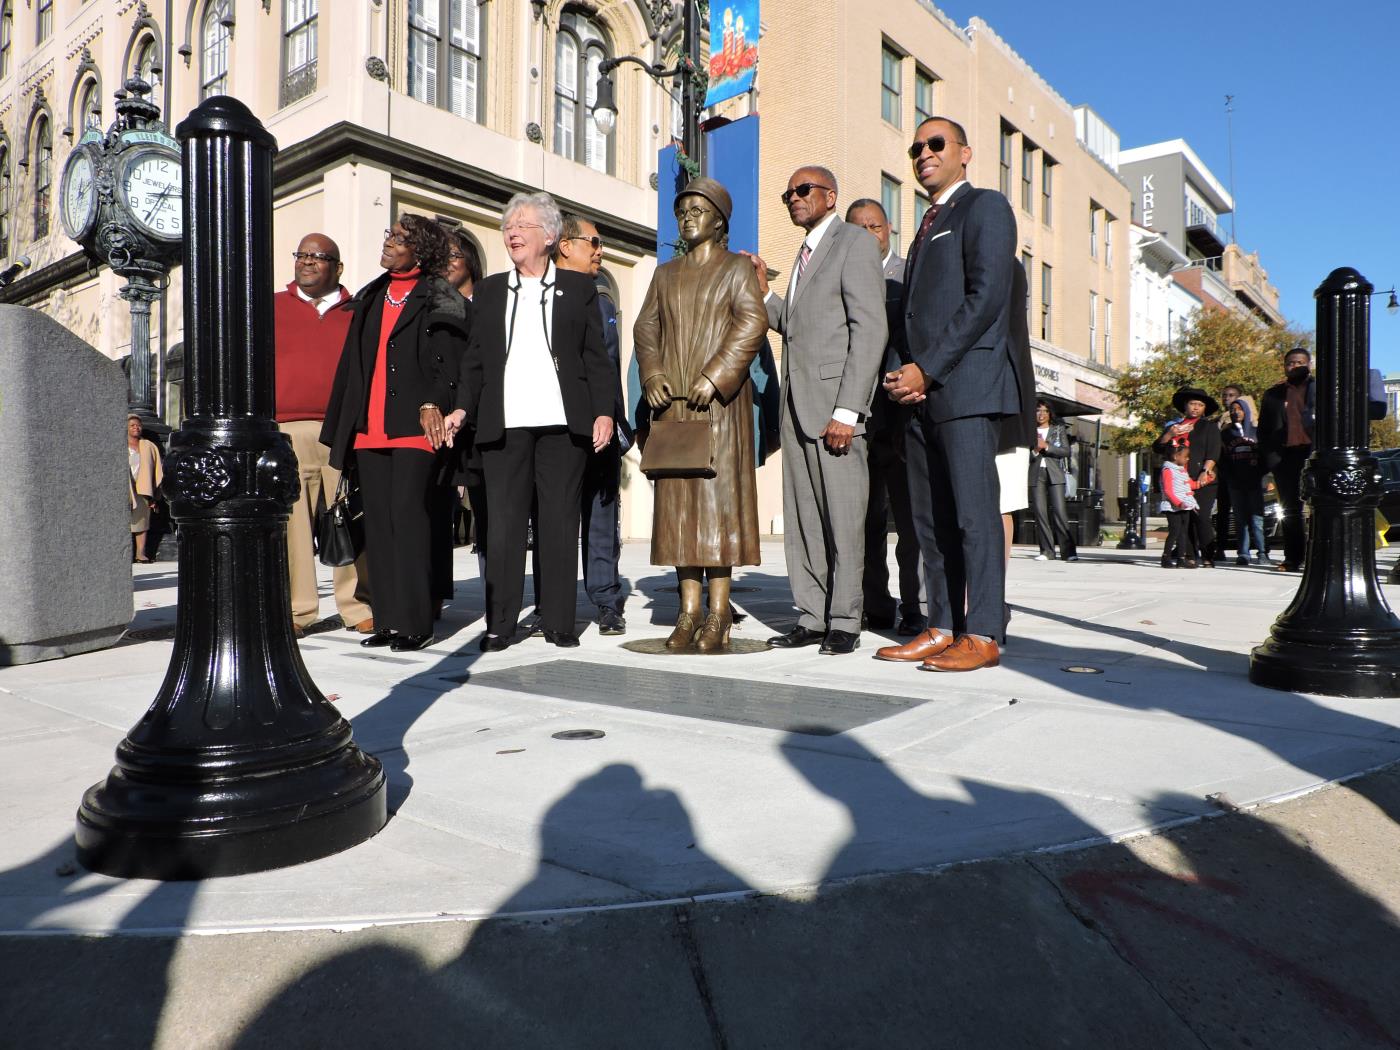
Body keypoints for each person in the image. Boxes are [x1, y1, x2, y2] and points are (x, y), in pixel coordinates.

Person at [877, 116, 1021, 673]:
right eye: (916, 147)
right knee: (930, 520)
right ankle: (941, 625)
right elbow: (911, 313)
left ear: (966, 152)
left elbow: (987, 297)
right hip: (918, 395)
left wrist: (928, 369)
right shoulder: (924, 225)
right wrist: (900, 374)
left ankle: (983, 632)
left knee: (974, 516)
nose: (923, 153)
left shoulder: (984, 207)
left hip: (964, 387)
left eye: (935, 144)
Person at [446, 192, 615, 652]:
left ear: (550, 236)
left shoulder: (579, 289)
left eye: (522, 225)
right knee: (502, 527)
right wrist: (463, 407)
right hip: (506, 425)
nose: (512, 232)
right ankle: (500, 623)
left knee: (559, 524)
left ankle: (559, 621)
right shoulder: (491, 290)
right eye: (507, 226)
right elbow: (475, 359)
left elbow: (595, 358)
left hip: (563, 425)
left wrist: (604, 411)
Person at [746, 166, 887, 656]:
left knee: (844, 521)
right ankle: (811, 615)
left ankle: (846, 619)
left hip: (835, 413)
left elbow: (869, 330)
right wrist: (765, 292)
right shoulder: (805, 254)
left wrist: (848, 411)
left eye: (802, 190)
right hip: (797, 409)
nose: (793, 198)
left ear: (830, 194)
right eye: (787, 193)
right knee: (803, 520)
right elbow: (796, 326)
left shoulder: (854, 243)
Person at [321, 215, 470, 653]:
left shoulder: (437, 297)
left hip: (414, 430)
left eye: (399, 239)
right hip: (369, 429)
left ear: (419, 252)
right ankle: (386, 620)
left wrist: (433, 401)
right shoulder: (373, 295)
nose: (388, 242)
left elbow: (452, 364)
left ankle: (415, 620)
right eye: (389, 234)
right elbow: (354, 365)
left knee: (408, 521)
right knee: (379, 528)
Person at [634, 178, 769, 652]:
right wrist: (651, 373)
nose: (688, 216)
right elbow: (645, 326)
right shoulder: (665, 274)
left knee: (717, 509)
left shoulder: (736, 270)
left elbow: (753, 322)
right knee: (678, 510)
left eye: (698, 209)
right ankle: (687, 610)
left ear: (719, 221)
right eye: (683, 210)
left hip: (719, 409)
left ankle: (718, 613)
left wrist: (716, 376)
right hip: (673, 406)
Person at [273, 232, 374, 639]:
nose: (308, 262)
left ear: (338, 267)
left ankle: (357, 606)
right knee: (293, 527)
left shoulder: (358, 312)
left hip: (341, 430)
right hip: (285, 431)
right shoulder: (272, 307)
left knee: (347, 517)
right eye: (302, 255)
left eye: (318, 256)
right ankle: (299, 610)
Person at [845, 198, 924, 637]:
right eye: (858, 229)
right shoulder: (843, 273)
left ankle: (914, 608)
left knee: (910, 525)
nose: (867, 236)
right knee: (867, 523)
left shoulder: (907, 275)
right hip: (859, 419)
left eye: (874, 227)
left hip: (902, 417)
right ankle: (877, 606)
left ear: (888, 229)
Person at [556, 213, 631, 637]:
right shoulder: (543, 294)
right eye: (594, 242)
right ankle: (556, 603)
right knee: (555, 519)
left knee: (601, 517)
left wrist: (617, 423)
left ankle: (606, 602)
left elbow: (610, 363)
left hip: (601, 429)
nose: (601, 251)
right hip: (555, 429)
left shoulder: (602, 297)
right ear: (566, 245)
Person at [1258, 347, 1314, 572]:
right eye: (1289, 363)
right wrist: (1270, 457)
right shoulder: (1273, 394)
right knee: (1291, 510)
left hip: (1312, 453)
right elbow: (1263, 429)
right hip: (1284, 457)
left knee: (1320, 507)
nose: (1294, 366)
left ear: (1308, 364)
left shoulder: (1318, 388)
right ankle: (1293, 558)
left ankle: (1318, 556)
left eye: (1299, 362)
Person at [1152, 386, 1221, 567]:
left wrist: (1205, 472)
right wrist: (1169, 435)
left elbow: (1213, 452)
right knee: (1185, 519)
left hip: (1202, 479)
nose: (1196, 407)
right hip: (1178, 480)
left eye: (1200, 404)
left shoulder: (1209, 427)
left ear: (1204, 408)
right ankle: (1189, 555)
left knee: (1202, 517)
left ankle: (1208, 555)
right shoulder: (1175, 426)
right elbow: (1158, 448)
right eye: (1192, 404)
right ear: (1185, 406)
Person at [1028, 400, 1077, 562]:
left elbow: (1065, 451)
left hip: (1055, 474)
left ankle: (1068, 552)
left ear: (1050, 414)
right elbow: (1024, 457)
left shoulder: (1058, 429)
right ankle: (1047, 551)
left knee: (1059, 512)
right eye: (1038, 411)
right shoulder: (1029, 431)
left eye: (1044, 411)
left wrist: (1047, 446)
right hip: (1036, 474)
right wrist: (1035, 450)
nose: (1041, 414)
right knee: (1040, 513)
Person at [1221, 397, 1268, 566]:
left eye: (1239, 409)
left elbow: (1265, 457)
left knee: (1257, 520)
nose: (1235, 412)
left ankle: (1262, 552)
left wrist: (1261, 475)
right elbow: (1222, 460)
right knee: (1241, 520)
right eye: (1232, 409)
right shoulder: (1226, 434)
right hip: (1235, 483)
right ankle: (1243, 553)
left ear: (1246, 411)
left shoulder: (1256, 432)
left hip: (1255, 482)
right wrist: (1229, 478)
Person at [127, 415, 162, 564]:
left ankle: (140, 553)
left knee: (142, 522)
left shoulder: (148, 445)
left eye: (138, 425)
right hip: (125, 487)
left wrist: (154, 494)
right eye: (132, 425)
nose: (136, 427)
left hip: (142, 487)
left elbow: (156, 469)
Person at [1159, 444, 1201, 568]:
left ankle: (1181, 559)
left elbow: (1189, 485)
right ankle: (1166, 557)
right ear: (1175, 456)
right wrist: (1178, 503)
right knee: (1175, 531)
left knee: (1183, 532)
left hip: (1185, 505)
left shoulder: (1182, 470)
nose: (1187, 459)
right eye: (1185, 456)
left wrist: (1204, 481)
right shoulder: (1167, 470)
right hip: (1172, 507)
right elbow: (1168, 490)